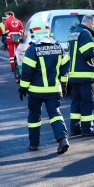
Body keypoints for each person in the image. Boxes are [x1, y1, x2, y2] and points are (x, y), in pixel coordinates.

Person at [19, 17, 71, 154]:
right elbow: (65, 67)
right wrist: (64, 84)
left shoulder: (33, 49)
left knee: (34, 117)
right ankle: (62, 139)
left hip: (35, 91)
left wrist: (23, 88)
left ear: (34, 31)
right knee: (55, 114)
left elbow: (27, 71)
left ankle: (34, 144)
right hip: (54, 90)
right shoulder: (58, 47)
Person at [68, 15, 94, 136]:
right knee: (87, 101)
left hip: (74, 75)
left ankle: (75, 129)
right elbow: (87, 53)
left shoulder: (73, 33)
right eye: (93, 26)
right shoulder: (85, 33)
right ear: (91, 24)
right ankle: (87, 129)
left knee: (76, 102)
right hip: (84, 75)